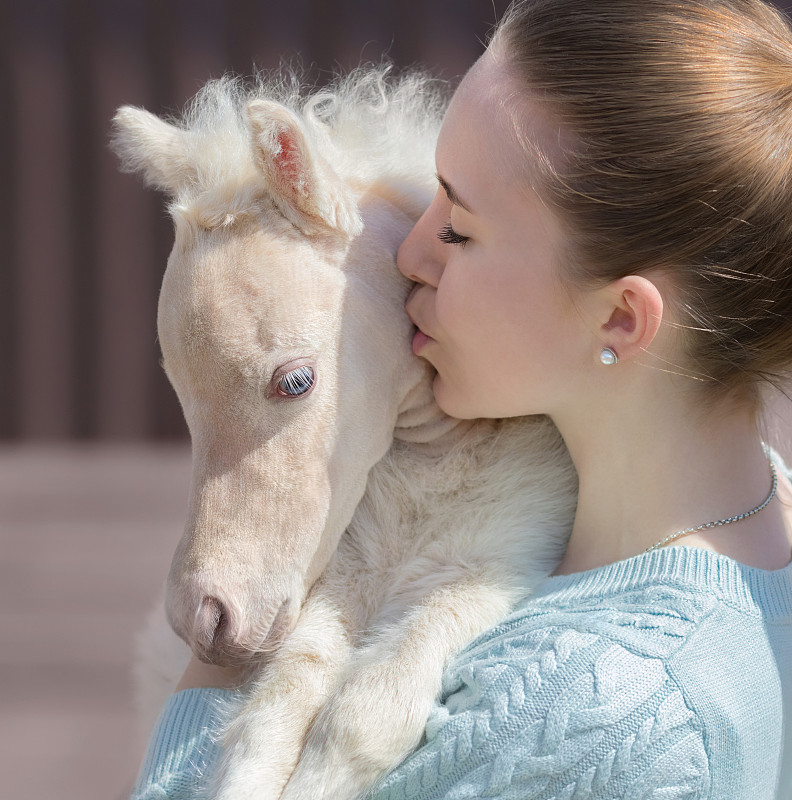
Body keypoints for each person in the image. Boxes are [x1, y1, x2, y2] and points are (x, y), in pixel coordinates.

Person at [130, 0, 792, 797]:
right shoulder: (761, 513)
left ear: (619, 316)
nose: (410, 250)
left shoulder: (600, 723)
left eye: (459, 229)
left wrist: (234, 625)